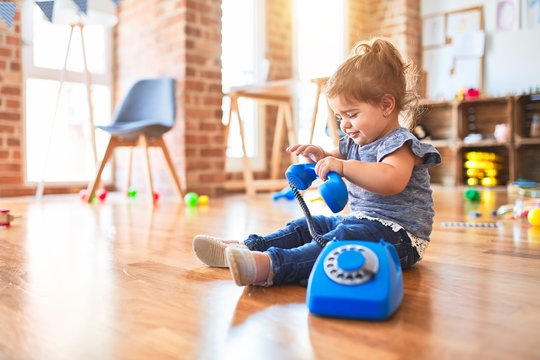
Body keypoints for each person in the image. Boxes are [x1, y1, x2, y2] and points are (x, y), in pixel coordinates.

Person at [193, 37, 441, 287]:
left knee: (341, 239)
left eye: (352, 115)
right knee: (308, 226)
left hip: (400, 238)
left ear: (386, 105)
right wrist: (319, 155)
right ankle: (247, 247)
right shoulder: (354, 142)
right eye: (339, 116)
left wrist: (343, 167)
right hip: (359, 222)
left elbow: (391, 179)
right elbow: (331, 158)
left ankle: (269, 266)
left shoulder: (401, 144)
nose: (344, 124)